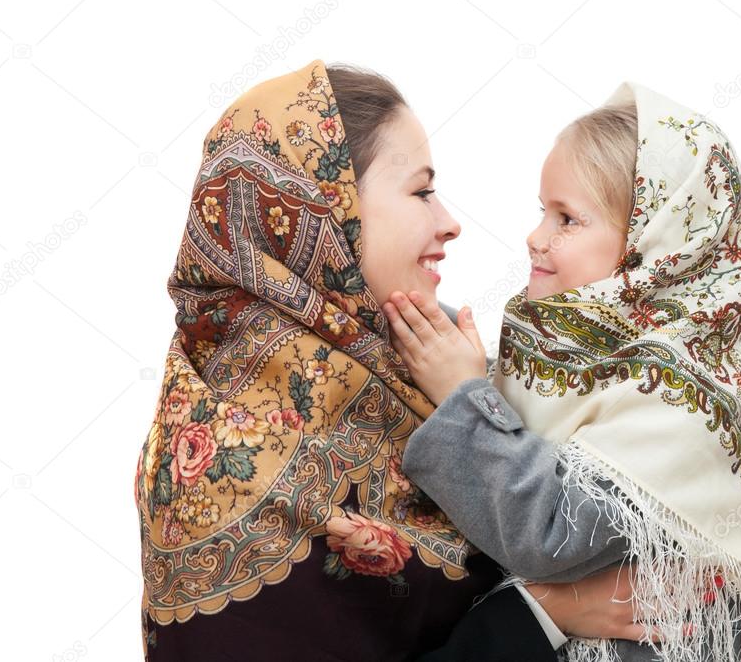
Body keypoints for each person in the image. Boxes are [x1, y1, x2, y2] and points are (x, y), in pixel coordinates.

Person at [133, 58, 648, 661]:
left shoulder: (425, 368)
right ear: (325, 213)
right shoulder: (225, 460)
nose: (451, 223)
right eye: (422, 191)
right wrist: (540, 615)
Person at [385, 82, 741, 661]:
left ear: (653, 255)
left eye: (567, 219)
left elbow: (551, 530)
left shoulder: (676, 399)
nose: (536, 237)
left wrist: (461, 393)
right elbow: (527, 427)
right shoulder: (570, 364)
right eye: (542, 211)